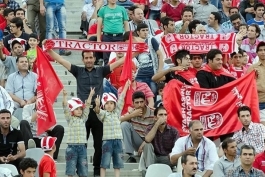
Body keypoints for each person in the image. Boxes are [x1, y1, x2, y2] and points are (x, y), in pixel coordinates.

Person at [42, 39, 126, 177]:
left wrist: (136, 52)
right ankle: (82, 171)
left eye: (91, 57)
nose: (88, 60)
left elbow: (120, 62)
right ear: (82, 59)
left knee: (99, 144)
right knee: (82, 144)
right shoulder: (78, 70)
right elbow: (61, 61)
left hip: (99, 112)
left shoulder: (101, 70)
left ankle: (98, 171)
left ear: (94, 58)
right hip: (81, 113)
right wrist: (49, 49)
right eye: (86, 58)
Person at [94, 80, 130, 177]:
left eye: (111, 103)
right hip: (107, 141)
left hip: (118, 140)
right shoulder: (104, 114)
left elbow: (122, 98)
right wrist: (97, 105)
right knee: (104, 161)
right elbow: (97, 112)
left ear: (115, 104)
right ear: (104, 105)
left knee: (118, 161)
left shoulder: (117, 112)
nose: (109, 105)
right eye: (107, 103)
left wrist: (126, 86)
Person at [20, 91, 64, 159]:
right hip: (31, 137)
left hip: (44, 138)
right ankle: (29, 148)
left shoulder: (50, 109)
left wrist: (45, 124)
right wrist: (36, 114)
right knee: (23, 123)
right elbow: (25, 122)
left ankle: (53, 153)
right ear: (35, 98)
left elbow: (53, 125)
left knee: (60, 128)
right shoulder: (27, 108)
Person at [63, 88, 94, 177]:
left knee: (83, 170)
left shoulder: (83, 119)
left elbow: (87, 106)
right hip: (71, 147)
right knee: (70, 169)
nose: (80, 110)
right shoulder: (70, 119)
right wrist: (65, 96)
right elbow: (65, 107)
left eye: (81, 109)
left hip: (82, 148)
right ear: (72, 110)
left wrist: (90, 95)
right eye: (77, 109)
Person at [120, 91, 155, 163]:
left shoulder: (153, 112)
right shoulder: (132, 112)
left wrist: (145, 142)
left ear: (145, 101)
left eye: (141, 102)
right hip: (138, 141)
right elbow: (117, 121)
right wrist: (132, 115)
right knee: (124, 125)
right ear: (133, 103)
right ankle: (131, 155)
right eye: (137, 102)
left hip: (151, 143)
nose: (140, 105)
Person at [140, 106, 179, 170]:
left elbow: (177, 147)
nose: (163, 117)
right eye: (161, 115)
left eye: (165, 115)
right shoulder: (150, 128)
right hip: (153, 158)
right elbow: (147, 140)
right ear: (155, 117)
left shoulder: (173, 131)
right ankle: (150, 170)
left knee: (181, 156)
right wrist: (157, 123)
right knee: (147, 144)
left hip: (167, 158)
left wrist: (172, 154)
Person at [247, 41, 265, 126]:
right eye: (260, 50)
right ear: (257, 52)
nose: (263, 52)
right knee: (262, 130)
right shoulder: (252, 68)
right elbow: (246, 85)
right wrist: (253, 77)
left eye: (264, 50)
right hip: (260, 102)